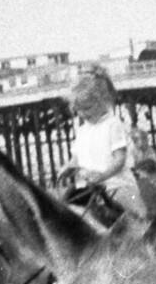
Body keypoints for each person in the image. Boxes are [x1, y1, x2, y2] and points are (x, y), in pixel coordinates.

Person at [58, 66, 144, 216]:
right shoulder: (82, 131)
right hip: (87, 185)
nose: (83, 114)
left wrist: (103, 176)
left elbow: (120, 159)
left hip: (116, 184)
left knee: (136, 216)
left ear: (104, 100)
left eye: (88, 108)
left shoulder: (113, 125)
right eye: (79, 110)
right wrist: (68, 167)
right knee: (64, 210)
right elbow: (77, 158)